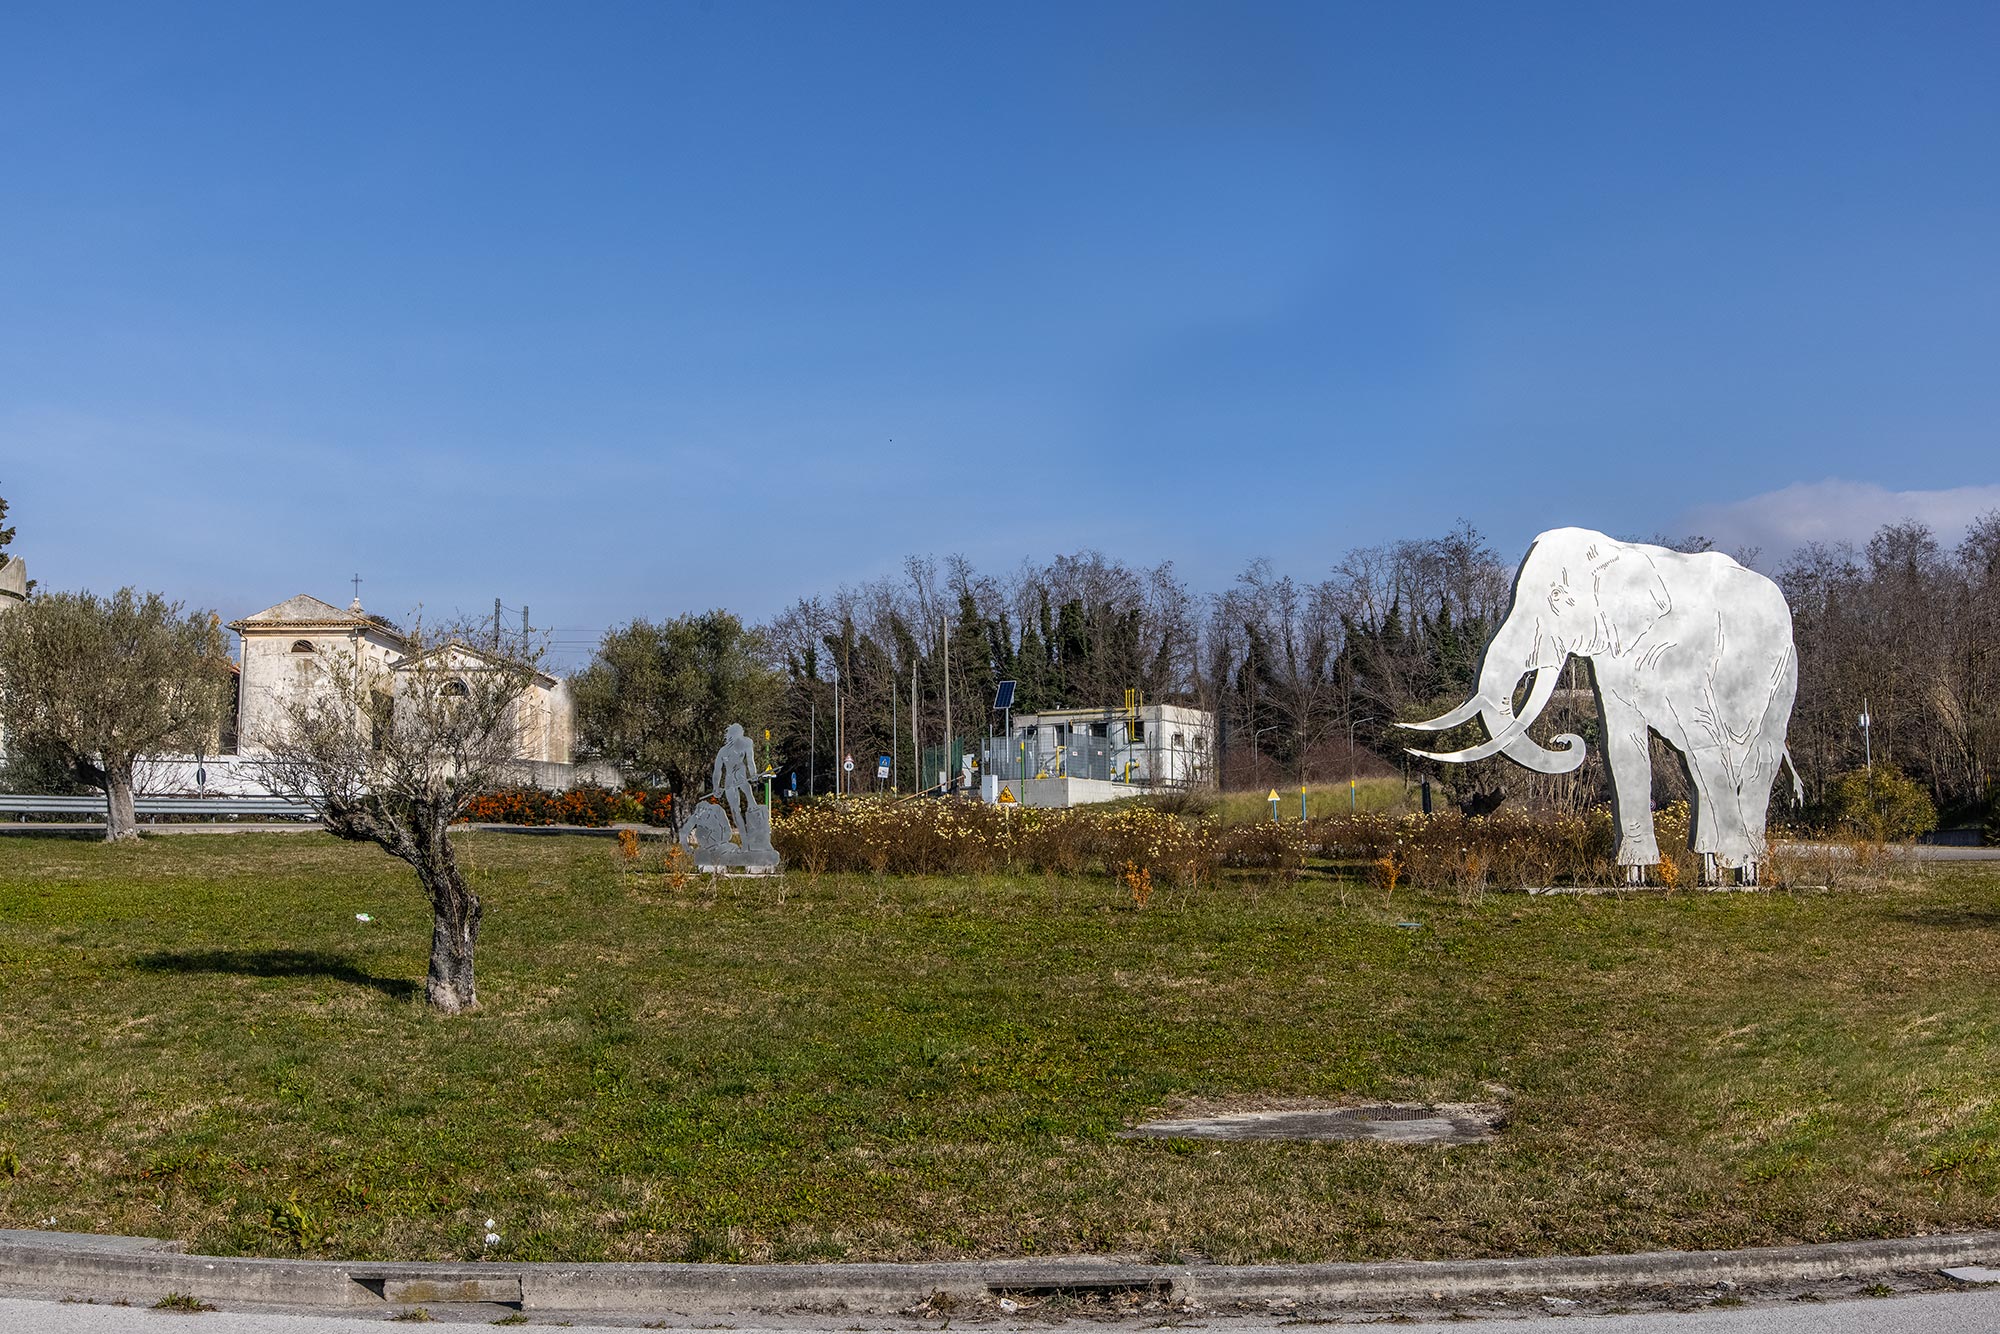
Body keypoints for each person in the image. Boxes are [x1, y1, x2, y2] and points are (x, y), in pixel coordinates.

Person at [713, 723, 760, 831]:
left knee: (748, 793)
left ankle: (754, 816)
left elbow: (750, 761)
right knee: (734, 808)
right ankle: (742, 829)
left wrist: (753, 774)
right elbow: (717, 771)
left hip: (741, 774)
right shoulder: (723, 751)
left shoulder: (746, 743)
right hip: (729, 779)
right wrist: (716, 787)